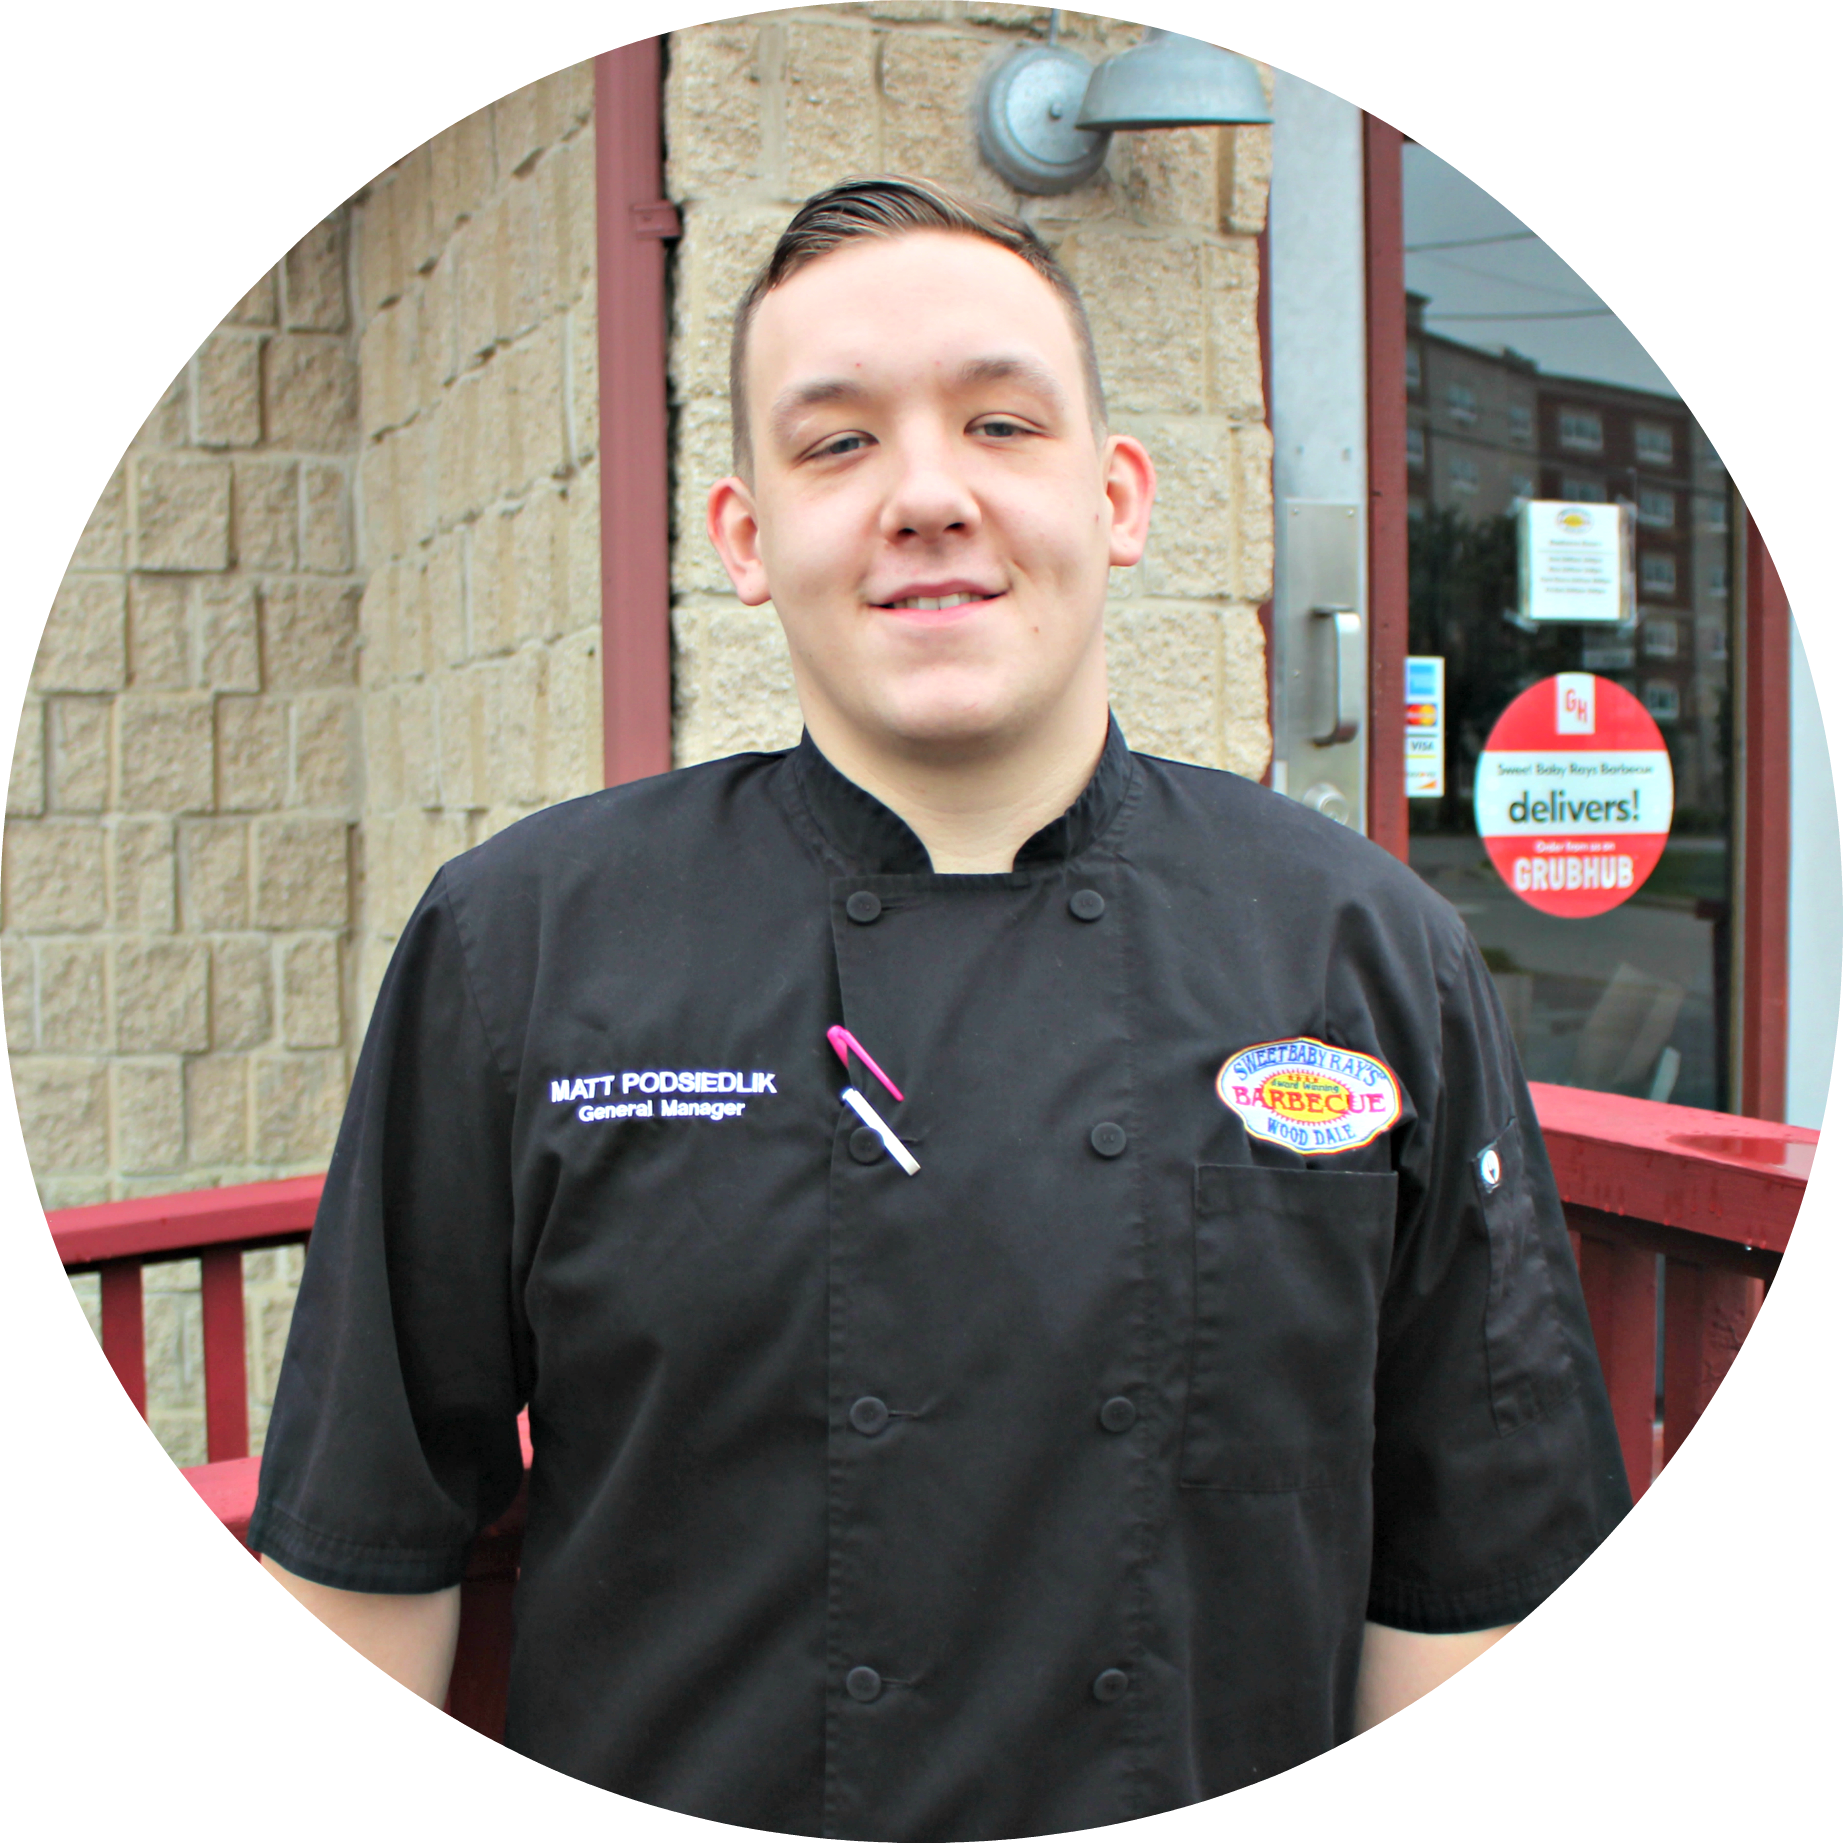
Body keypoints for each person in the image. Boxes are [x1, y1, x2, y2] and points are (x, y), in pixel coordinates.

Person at [250, 174, 1629, 1834]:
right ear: (744, 539)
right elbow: (365, 1543)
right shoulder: (522, 943)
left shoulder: (1366, 952)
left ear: (1116, 496)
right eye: (835, 444)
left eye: (998, 423)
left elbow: (1468, 1564)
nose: (924, 496)